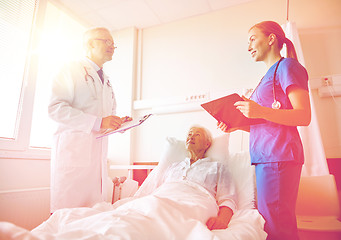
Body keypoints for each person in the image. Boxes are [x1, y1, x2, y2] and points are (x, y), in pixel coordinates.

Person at [218, 21, 311, 239]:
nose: (248, 46)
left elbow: (304, 116)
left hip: (278, 156)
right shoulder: (265, 79)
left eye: (252, 39)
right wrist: (236, 125)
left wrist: (260, 111)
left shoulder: (288, 67)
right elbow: (265, 124)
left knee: (278, 226)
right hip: (266, 157)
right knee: (272, 223)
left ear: (271, 39)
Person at [48, 27, 132, 213]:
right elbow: (55, 108)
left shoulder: (107, 81)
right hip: (74, 155)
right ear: (90, 44)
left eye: (113, 44)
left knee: (93, 219)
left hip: (96, 160)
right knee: (67, 218)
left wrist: (119, 124)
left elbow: (106, 119)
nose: (112, 46)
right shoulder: (69, 69)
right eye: (106, 41)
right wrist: (99, 122)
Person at [135, 126, 237, 230]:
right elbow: (150, 190)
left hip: (194, 203)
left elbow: (228, 199)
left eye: (197, 135)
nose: (191, 137)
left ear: (207, 144)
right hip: (161, 199)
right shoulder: (172, 166)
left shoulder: (218, 168)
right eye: (189, 134)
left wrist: (222, 220)